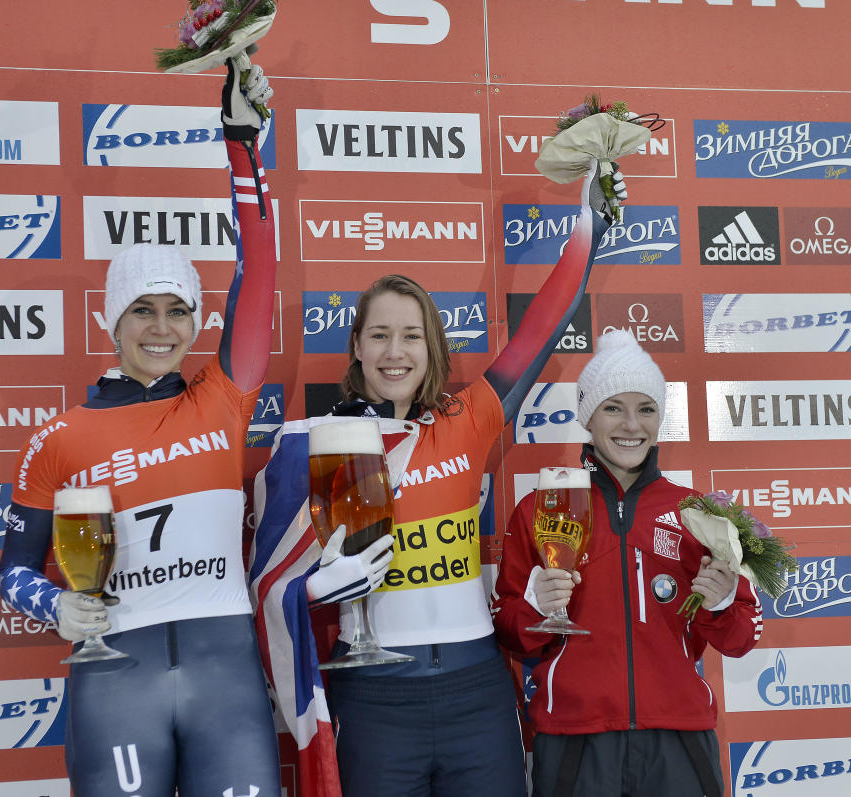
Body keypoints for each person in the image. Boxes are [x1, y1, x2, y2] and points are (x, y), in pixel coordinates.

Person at [252, 161, 628, 797]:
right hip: (374, 696)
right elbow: (273, 578)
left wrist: (587, 224)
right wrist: (315, 589)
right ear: (357, 351)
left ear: (432, 350)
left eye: (411, 336)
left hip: (475, 685)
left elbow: (542, 326)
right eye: (379, 336)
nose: (395, 352)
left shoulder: (465, 421)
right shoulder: (314, 446)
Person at [0, 52, 282, 797]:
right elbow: (11, 573)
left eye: (177, 309)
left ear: (198, 320)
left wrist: (243, 146)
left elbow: (262, 265)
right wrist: (54, 603)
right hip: (117, 678)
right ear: (110, 320)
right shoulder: (57, 440)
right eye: (142, 310)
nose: (161, 328)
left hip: (225, 673)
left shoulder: (223, 397)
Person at [491, 330, 763, 797]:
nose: (631, 425)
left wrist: (717, 606)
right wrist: (537, 610)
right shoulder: (542, 507)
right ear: (588, 417)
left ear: (660, 417)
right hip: (574, 736)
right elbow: (508, 630)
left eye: (646, 408)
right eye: (613, 407)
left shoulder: (698, 513)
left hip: (679, 734)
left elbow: (741, 638)